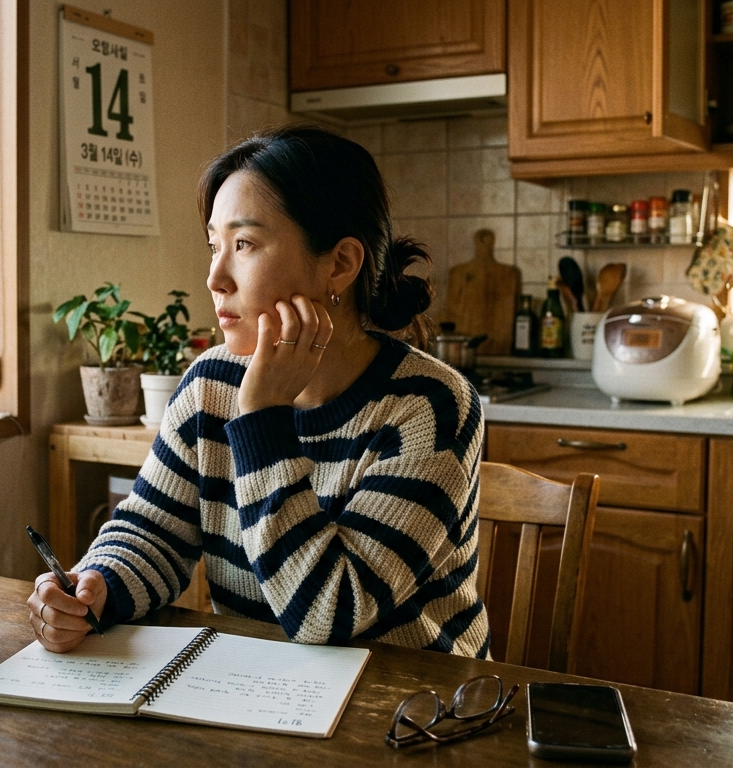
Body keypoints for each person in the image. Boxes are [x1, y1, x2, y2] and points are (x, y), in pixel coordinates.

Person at [27, 125, 489, 658]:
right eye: (214, 246)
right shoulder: (210, 384)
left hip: (411, 711)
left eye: (244, 244)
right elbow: (152, 531)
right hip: (261, 696)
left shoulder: (430, 407)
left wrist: (263, 418)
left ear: (339, 263)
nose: (215, 277)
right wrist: (96, 584)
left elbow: (331, 613)